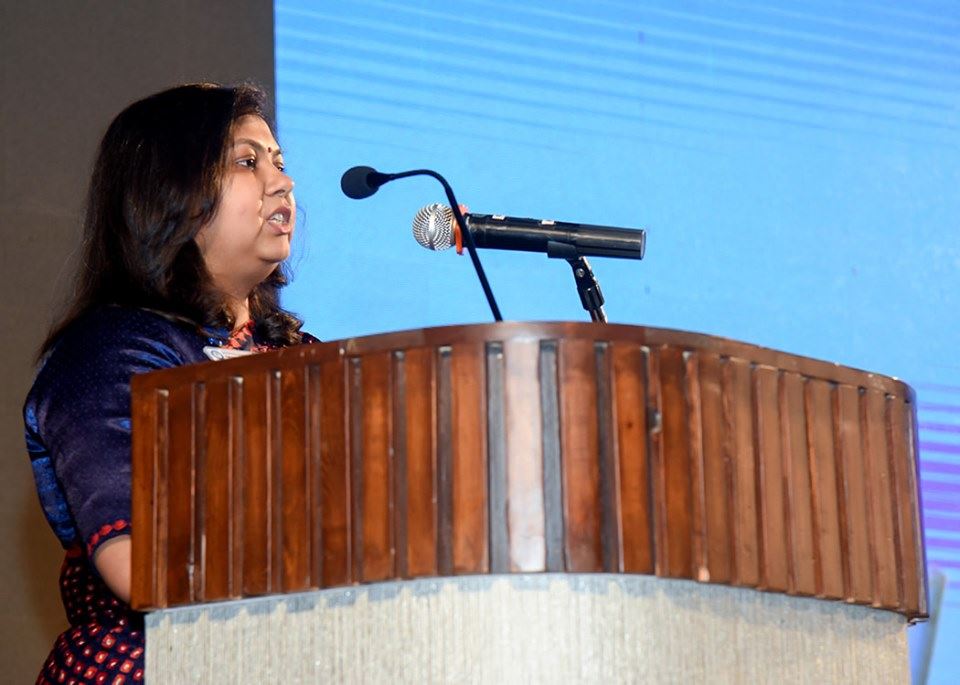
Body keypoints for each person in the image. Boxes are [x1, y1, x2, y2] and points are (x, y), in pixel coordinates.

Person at [23, 83, 315, 684]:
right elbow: (139, 563)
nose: (282, 182)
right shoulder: (112, 352)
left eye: (279, 162)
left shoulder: (302, 357)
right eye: (247, 162)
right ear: (170, 193)